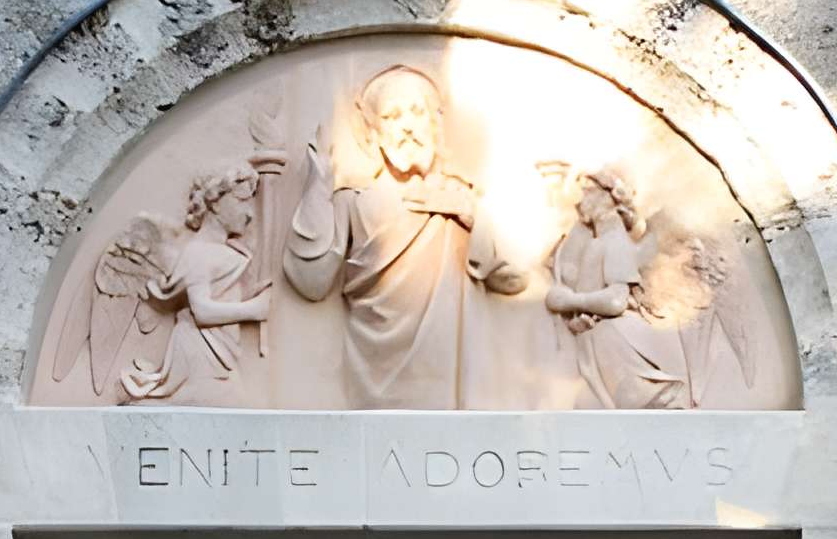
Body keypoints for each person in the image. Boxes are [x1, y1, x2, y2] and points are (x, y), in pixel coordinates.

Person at [282, 64, 523, 409]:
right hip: (371, 378)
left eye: (416, 112)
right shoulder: (353, 201)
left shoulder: (460, 198)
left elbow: (515, 280)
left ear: (435, 125)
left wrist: (470, 217)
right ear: (374, 134)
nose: (408, 126)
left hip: (448, 381)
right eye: (392, 116)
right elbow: (311, 282)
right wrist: (317, 190)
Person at [119, 164, 271, 405]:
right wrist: (253, 309)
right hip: (202, 353)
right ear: (216, 202)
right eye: (242, 200)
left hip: (222, 357)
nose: (250, 213)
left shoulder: (229, 252)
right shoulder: (198, 252)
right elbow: (201, 310)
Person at [545, 166, 694, 412]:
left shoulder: (614, 241)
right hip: (599, 350)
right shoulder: (598, 242)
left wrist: (570, 300)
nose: (580, 201)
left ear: (609, 197)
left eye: (587, 192)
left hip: (621, 350)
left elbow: (616, 300)